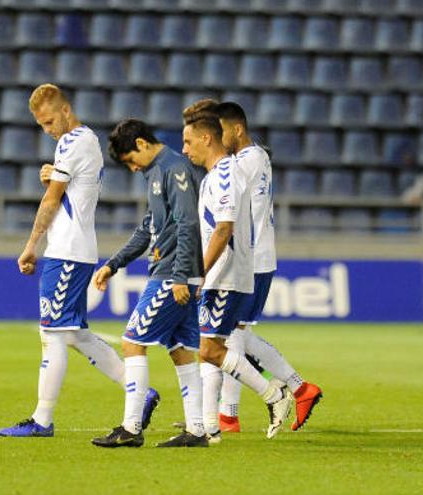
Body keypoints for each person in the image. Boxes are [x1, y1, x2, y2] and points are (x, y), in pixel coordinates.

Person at [0, 84, 157, 438]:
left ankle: (42, 420)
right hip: (75, 248)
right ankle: (139, 390)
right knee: (73, 333)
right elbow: (68, 189)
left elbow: (53, 201)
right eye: (41, 125)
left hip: (66, 251)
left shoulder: (72, 143)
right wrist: (53, 174)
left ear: (66, 110)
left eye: (49, 121)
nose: (47, 129)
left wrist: (30, 246)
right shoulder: (82, 141)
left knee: (52, 334)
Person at [204, 101, 324, 437]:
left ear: (237, 130)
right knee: (236, 334)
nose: (216, 138)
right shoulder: (254, 156)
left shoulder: (247, 160)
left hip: (251, 258)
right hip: (254, 256)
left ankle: (228, 417)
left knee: (230, 338)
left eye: (221, 132)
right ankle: (299, 389)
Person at [89, 119, 209, 448]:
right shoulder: (156, 172)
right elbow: (148, 229)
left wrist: (183, 275)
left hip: (172, 274)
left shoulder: (174, 169)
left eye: (130, 160)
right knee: (181, 351)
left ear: (142, 144)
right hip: (174, 271)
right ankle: (197, 429)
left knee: (131, 342)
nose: (131, 168)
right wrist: (114, 264)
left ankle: (131, 428)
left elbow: (188, 224)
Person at [182, 114, 294, 439]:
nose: (185, 149)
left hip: (225, 275)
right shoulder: (216, 175)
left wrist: (200, 273)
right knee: (213, 346)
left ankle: (275, 395)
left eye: (189, 141)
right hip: (226, 273)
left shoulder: (228, 173)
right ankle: (209, 426)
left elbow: (224, 228)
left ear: (207, 138)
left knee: (210, 349)